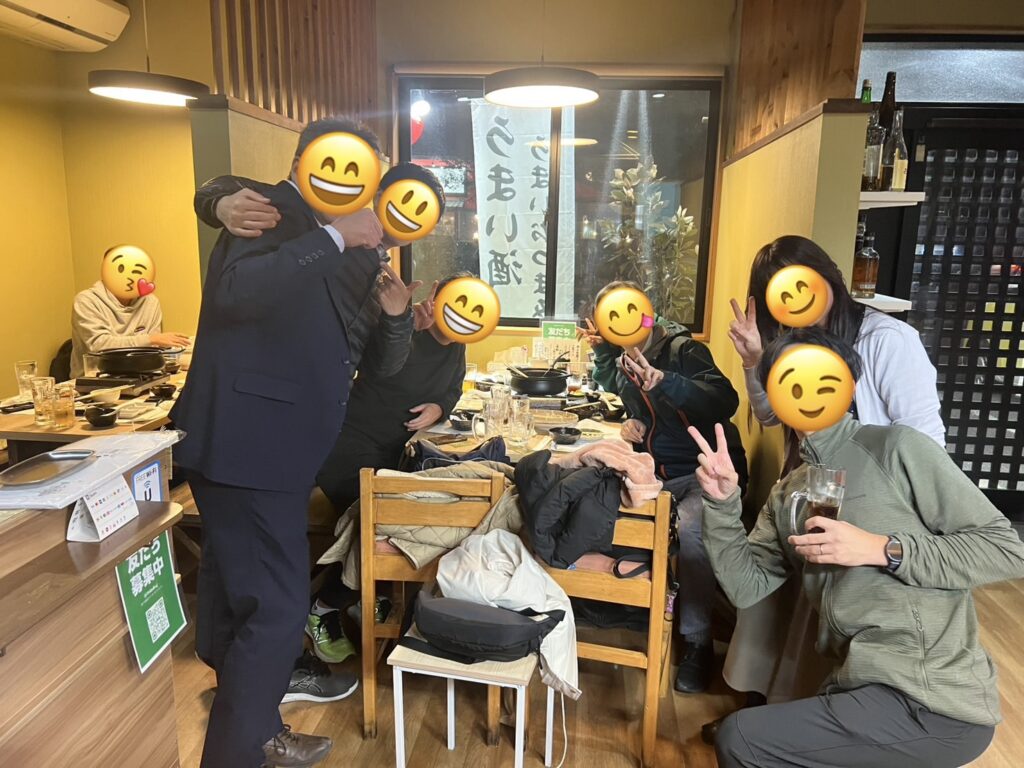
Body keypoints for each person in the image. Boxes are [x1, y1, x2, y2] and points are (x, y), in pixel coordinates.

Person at [170, 116, 419, 768]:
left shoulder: (361, 249)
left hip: (283, 451)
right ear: (303, 161)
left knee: (240, 600)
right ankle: (239, 753)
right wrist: (332, 235)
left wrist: (396, 317)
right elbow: (235, 292)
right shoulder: (267, 208)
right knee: (279, 610)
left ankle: (259, 729)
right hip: (245, 447)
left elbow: (373, 363)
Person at [690, 326, 1024, 768]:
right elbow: (745, 586)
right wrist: (721, 504)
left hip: (931, 699)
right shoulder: (788, 492)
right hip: (855, 685)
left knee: (742, 738)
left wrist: (882, 548)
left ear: (849, 384)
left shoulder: (896, 448)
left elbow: (1006, 548)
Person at [708, 234, 948, 741]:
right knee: (776, 609)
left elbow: (925, 440)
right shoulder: (792, 342)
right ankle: (762, 716)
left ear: (830, 280)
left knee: (823, 621)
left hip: (869, 505)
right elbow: (771, 414)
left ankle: (808, 731)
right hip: (805, 488)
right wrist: (754, 361)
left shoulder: (885, 340)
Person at [583, 280, 748, 694]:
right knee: (592, 495)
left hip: (705, 472)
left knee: (692, 530)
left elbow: (724, 401)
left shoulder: (683, 350)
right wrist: (633, 425)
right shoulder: (625, 359)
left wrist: (666, 381)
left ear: (645, 314)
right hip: (655, 472)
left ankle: (697, 642)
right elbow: (634, 404)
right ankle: (624, 605)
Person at [70, 245, 189, 377]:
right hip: (95, 379)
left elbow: (154, 348)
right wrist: (150, 339)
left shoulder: (150, 302)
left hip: (141, 376)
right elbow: (99, 345)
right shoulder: (86, 300)